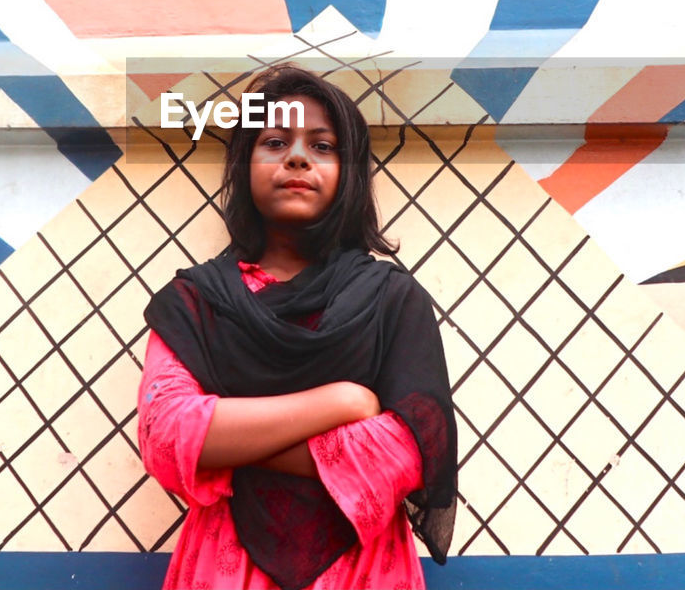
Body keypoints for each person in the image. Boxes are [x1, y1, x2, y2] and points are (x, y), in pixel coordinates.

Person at [139, 64, 457, 590]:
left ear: (350, 173)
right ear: (244, 164)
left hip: (361, 569)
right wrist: (342, 403)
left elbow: (408, 450)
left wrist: (231, 442)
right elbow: (166, 435)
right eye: (275, 141)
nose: (297, 157)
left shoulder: (391, 300)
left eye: (324, 146)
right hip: (226, 569)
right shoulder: (196, 302)